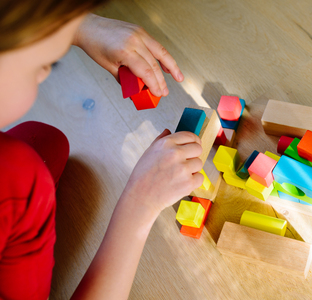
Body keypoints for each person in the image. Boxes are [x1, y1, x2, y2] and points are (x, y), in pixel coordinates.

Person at [0, 0, 204, 299]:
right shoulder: (18, 176)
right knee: (27, 174)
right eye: (41, 63)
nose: (45, 71)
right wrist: (140, 201)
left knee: (45, 142)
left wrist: (79, 26)